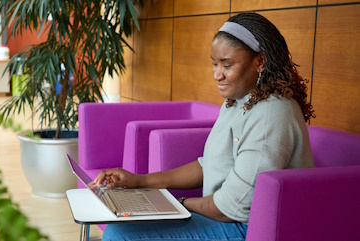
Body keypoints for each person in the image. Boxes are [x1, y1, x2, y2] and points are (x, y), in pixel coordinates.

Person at [94, 12, 315, 241]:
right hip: (224, 219)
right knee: (119, 226)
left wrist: (177, 204)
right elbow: (209, 165)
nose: (217, 74)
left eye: (227, 65)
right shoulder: (238, 101)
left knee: (121, 235)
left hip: (246, 229)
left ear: (260, 62)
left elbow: (232, 207)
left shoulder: (271, 114)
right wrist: (140, 181)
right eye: (214, 64)